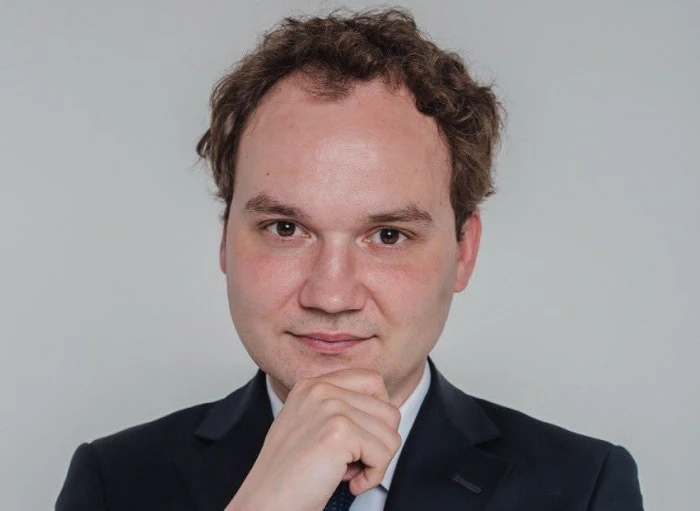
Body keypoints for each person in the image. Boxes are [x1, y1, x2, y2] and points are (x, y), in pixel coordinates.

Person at [56, 8, 643, 511]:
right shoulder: (113, 482)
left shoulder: (583, 487)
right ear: (224, 241)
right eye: (286, 228)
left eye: (388, 235)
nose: (331, 295)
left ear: (464, 252)